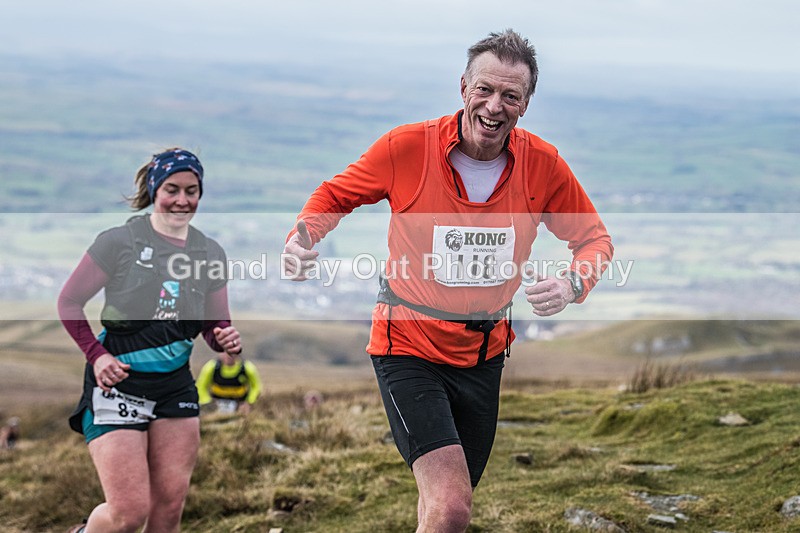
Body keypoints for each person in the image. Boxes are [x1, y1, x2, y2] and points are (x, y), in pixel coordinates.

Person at [282, 29, 614, 531]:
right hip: (407, 346)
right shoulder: (407, 147)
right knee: (452, 505)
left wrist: (573, 284)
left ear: (526, 104)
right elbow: (334, 195)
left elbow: (594, 239)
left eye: (510, 96)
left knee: (443, 506)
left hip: (483, 357)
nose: (494, 106)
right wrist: (303, 236)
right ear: (463, 87)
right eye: (485, 89)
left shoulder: (543, 164)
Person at [58, 148, 243, 533]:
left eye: (192, 191)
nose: (182, 200)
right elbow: (69, 302)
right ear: (155, 190)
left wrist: (222, 336)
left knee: (169, 509)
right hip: (118, 386)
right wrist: (97, 356)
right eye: (172, 189)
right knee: (128, 515)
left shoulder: (209, 252)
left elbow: (214, 323)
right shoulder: (119, 242)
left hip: (174, 387)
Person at [196, 351, 262, 415]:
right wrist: (207, 402)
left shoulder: (247, 368)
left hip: (239, 405)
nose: (229, 356)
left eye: (232, 353)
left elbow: (256, 386)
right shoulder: (211, 367)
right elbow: (200, 386)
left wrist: (249, 402)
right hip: (215, 405)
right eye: (226, 353)